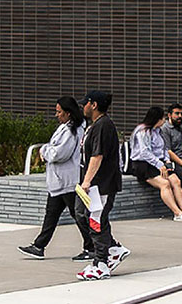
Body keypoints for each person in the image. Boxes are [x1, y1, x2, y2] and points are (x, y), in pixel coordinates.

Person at [17, 96, 94, 262]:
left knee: (79, 215)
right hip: (59, 182)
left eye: (59, 112)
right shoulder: (67, 128)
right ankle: (39, 246)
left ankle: (93, 246)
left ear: (68, 113)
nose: (56, 115)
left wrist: (45, 150)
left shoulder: (72, 131)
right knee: (52, 215)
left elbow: (59, 154)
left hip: (68, 182)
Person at [75, 90, 130, 281]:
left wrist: (87, 181)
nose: (83, 107)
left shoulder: (103, 126)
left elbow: (97, 156)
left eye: (86, 104)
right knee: (87, 216)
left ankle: (101, 264)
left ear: (94, 105)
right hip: (95, 185)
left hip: (101, 185)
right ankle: (113, 248)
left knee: (95, 220)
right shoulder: (96, 125)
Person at [130, 106, 182, 222]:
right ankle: (177, 213)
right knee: (164, 184)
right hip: (143, 164)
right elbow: (144, 152)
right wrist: (159, 164)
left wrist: (166, 161)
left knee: (176, 181)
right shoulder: (143, 131)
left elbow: (164, 148)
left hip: (159, 162)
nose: (164, 121)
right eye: (162, 118)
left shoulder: (159, 131)